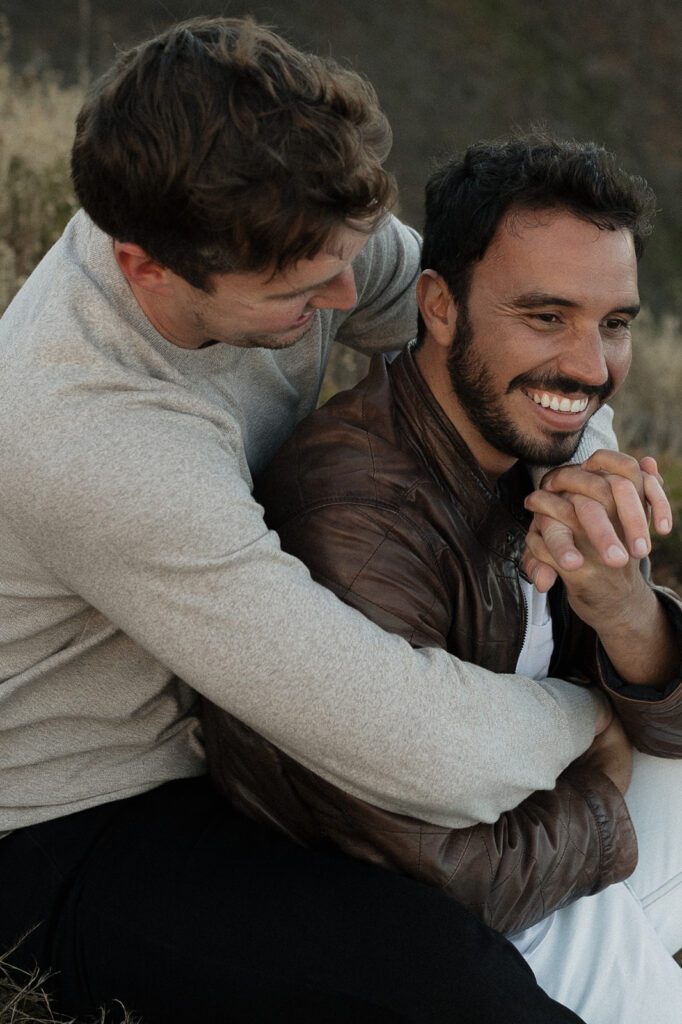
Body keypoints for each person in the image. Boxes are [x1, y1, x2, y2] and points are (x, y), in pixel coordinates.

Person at [203, 136, 682, 1024]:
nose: (590, 369)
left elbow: (665, 721)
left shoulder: (541, 441)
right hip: (452, 910)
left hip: (546, 831)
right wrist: (603, 785)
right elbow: (431, 875)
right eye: (546, 317)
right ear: (440, 306)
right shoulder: (355, 516)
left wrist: (625, 610)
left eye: (614, 322)